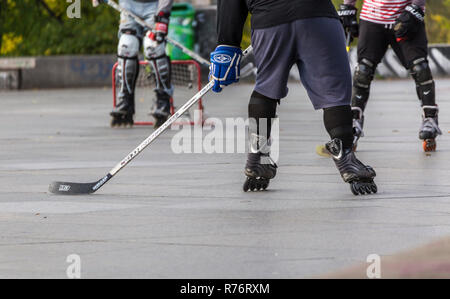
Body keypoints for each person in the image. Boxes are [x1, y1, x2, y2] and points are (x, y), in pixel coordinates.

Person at [209, 0, 377, 195]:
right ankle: (346, 160)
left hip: (269, 21)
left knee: (266, 88)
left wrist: (227, 44)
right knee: (334, 94)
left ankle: (258, 158)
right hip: (317, 16)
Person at [338, 0, 442, 152]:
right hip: (372, 18)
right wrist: (348, 7)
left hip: (405, 14)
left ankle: (430, 118)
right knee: (363, 71)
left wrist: (416, 7)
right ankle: (354, 121)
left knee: (420, 68)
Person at [93, 0, 174, 128]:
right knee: (126, 46)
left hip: (155, 5)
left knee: (153, 47)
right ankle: (125, 99)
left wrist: (163, 14)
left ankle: (163, 100)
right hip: (129, 4)